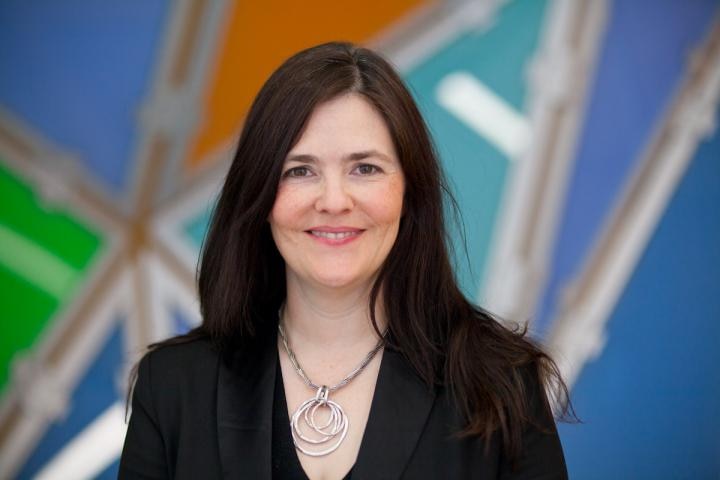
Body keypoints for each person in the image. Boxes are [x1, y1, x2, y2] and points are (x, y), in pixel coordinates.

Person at [119, 41, 570, 479]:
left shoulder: (501, 385)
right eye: (300, 170)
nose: (334, 201)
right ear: (259, 195)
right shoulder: (173, 387)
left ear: (409, 191)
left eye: (365, 168)